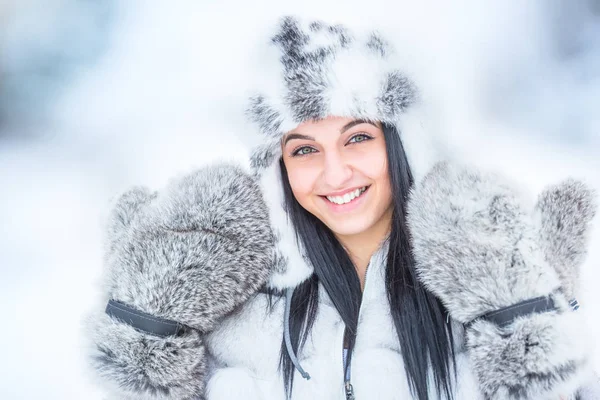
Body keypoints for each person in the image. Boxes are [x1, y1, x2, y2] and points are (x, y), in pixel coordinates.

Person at [85, 16, 599, 400]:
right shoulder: (237, 305)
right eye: (304, 149)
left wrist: (529, 317)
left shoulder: (468, 293)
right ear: (278, 167)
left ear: (403, 142)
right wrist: (146, 324)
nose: (334, 174)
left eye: (357, 137)